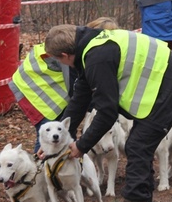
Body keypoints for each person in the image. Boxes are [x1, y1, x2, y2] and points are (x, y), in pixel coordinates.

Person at [43, 25, 172, 202]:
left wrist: (82, 146)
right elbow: (80, 98)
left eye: (58, 60)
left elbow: (107, 112)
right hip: (169, 80)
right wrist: (60, 137)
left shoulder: (97, 58)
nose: (60, 64)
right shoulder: (90, 48)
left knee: (137, 146)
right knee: (138, 146)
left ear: (65, 55)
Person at [9, 17, 118, 152]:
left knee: (64, 131)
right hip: (33, 92)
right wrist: (94, 107)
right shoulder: (74, 52)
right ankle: (43, 169)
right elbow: (77, 89)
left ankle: (62, 168)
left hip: (42, 88)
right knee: (51, 133)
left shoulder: (76, 42)